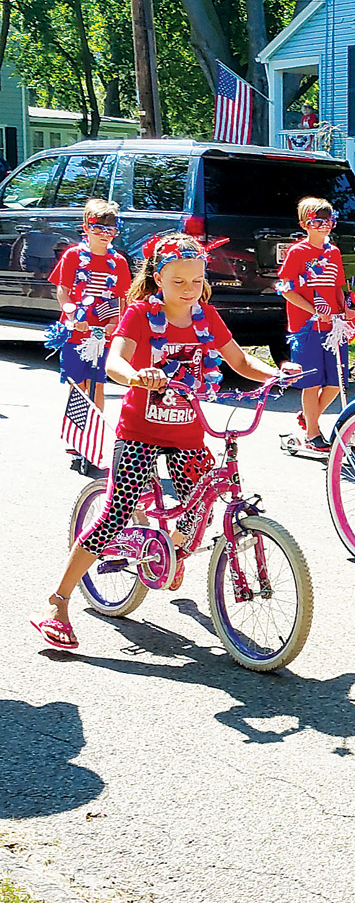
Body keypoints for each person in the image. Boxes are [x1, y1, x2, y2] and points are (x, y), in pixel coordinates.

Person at [31, 234, 292, 651]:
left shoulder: (205, 316)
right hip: (140, 431)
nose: (189, 290)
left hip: (188, 432)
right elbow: (115, 359)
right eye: (178, 282)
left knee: (200, 506)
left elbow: (239, 361)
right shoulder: (138, 315)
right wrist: (137, 375)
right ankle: (57, 601)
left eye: (196, 280)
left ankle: (167, 550)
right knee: (116, 513)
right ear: (158, 278)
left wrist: (276, 372)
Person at [276, 196, 355, 450]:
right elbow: (287, 289)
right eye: (317, 221)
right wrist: (312, 311)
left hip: (333, 327)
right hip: (306, 328)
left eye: (329, 221)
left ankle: (309, 417)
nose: (324, 226)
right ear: (304, 224)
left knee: (336, 382)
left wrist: (346, 309)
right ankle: (312, 433)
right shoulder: (297, 252)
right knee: (311, 382)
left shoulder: (333, 252)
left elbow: (337, 287)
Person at [46, 199, 131, 416]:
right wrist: (73, 316)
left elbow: (121, 297)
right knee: (78, 383)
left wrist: (115, 322)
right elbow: (63, 289)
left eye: (111, 229)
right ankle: (77, 432)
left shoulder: (118, 261)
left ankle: (94, 429)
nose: (105, 234)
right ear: (86, 228)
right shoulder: (73, 255)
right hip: (77, 330)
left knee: (97, 383)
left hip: (103, 333)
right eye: (98, 228)